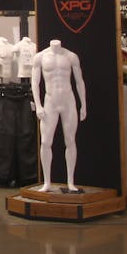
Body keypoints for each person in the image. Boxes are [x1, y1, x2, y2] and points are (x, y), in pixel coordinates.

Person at [30, 39, 86, 193]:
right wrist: (38, 104)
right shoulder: (40, 57)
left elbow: (79, 81)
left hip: (68, 101)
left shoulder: (70, 56)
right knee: (46, 141)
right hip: (50, 102)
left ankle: (70, 181)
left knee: (70, 140)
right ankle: (47, 182)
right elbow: (34, 82)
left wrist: (84, 105)